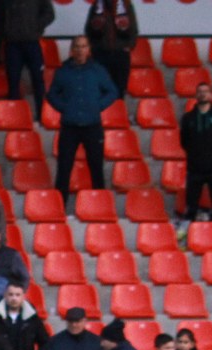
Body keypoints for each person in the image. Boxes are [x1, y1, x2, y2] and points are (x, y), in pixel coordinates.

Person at [47, 35, 119, 201]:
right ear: (72, 50)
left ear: (89, 50)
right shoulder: (63, 71)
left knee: (96, 168)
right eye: (77, 47)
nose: (80, 50)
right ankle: (59, 207)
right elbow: (52, 95)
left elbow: (112, 91)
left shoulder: (98, 70)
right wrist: (64, 108)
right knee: (64, 168)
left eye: (84, 46)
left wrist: (97, 106)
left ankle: (100, 206)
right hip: (69, 127)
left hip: (92, 126)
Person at [179, 82, 212, 223]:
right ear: (196, 95)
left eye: (206, 91)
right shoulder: (187, 118)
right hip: (195, 168)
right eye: (200, 91)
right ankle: (191, 237)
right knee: (191, 207)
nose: (203, 94)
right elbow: (184, 141)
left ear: (211, 94)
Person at [84, 0, 138, 102]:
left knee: (119, 90)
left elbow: (133, 30)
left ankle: (118, 114)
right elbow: (88, 30)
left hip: (120, 56)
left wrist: (128, 46)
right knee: (100, 89)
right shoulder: (96, 6)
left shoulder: (126, 5)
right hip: (100, 55)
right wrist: (94, 47)